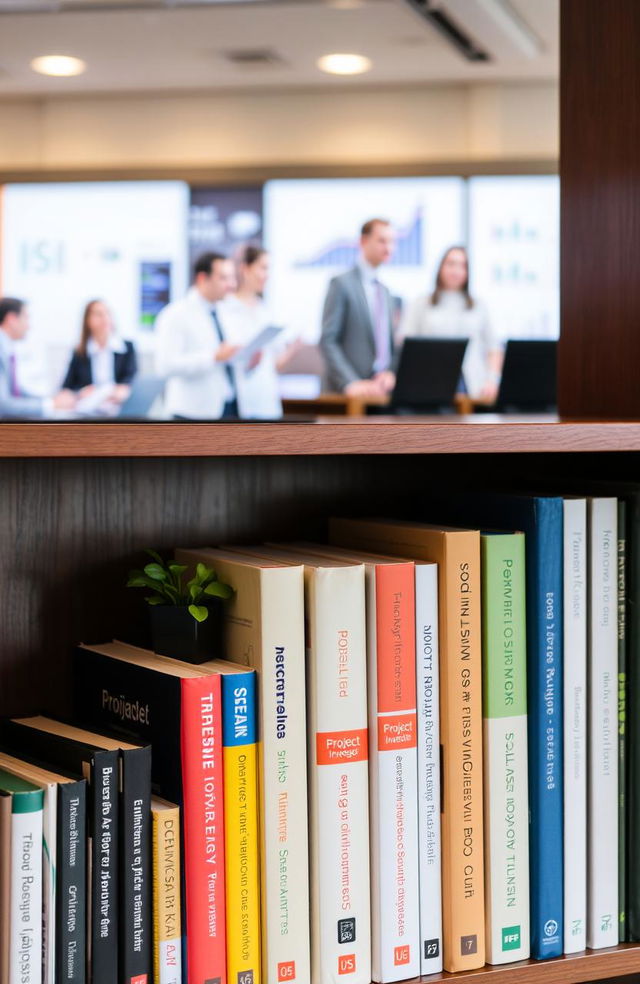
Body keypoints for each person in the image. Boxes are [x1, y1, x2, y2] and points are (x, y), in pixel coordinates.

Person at [400, 245, 502, 400]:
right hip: (429, 384)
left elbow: (494, 348)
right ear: (440, 267)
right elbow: (405, 343)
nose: (456, 271)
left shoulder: (479, 306)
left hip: (472, 385)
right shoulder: (420, 304)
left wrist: (492, 380)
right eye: (451, 264)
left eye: (462, 266)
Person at [155, 252, 243, 419]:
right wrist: (213, 357)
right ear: (202, 278)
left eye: (232, 278)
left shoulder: (224, 311)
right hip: (191, 413)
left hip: (226, 406)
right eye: (223, 278)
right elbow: (165, 366)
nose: (231, 284)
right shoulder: (175, 314)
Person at [320, 218, 397, 397]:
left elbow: (388, 346)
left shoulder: (385, 292)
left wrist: (389, 373)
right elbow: (328, 340)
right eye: (382, 241)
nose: (389, 248)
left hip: (380, 393)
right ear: (363, 242)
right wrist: (350, 382)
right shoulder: (341, 284)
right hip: (347, 396)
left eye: (392, 242)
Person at [221, 245, 283, 419]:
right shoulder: (225, 309)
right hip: (240, 404)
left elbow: (274, 363)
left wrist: (292, 350)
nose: (267, 275)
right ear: (245, 268)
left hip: (267, 402)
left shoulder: (265, 310)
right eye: (263, 268)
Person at [0, 297, 75, 418]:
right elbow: (3, 405)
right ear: (11, 319)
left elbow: (16, 392)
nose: (28, 326)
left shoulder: (5, 348)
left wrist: (50, 400)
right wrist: (49, 405)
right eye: (26, 318)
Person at [61, 299, 137, 407]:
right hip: (89, 409)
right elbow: (66, 388)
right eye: (98, 314)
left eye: (107, 313)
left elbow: (132, 378)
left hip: (118, 407)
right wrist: (79, 393)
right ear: (87, 321)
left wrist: (123, 388)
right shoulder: (80, 351)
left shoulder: (127, 348)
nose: (104, 318)